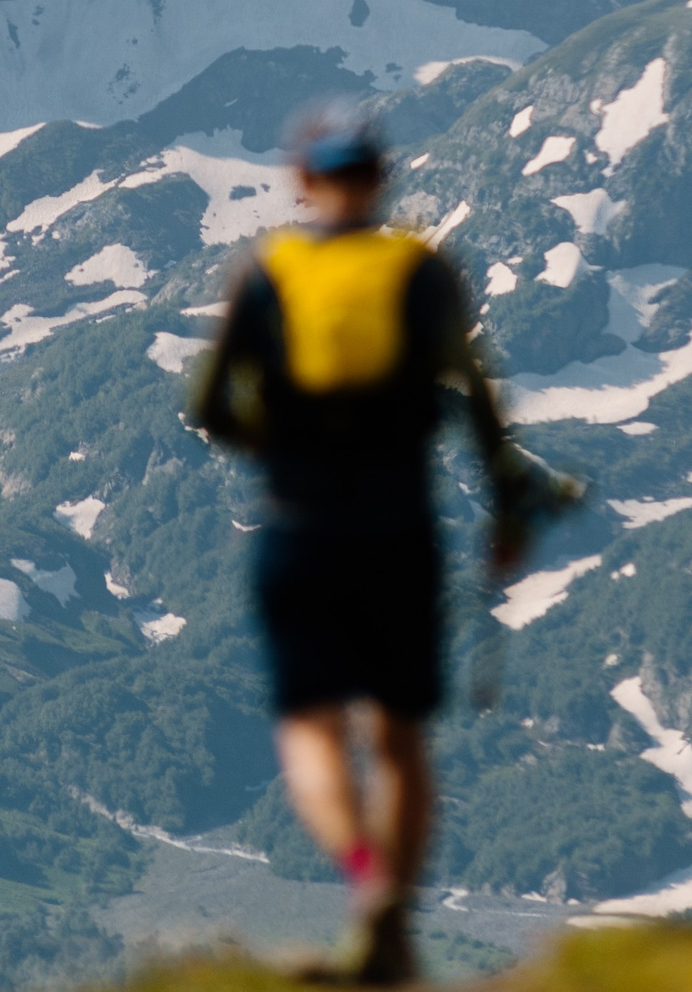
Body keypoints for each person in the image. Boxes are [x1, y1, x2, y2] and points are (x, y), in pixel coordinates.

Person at [191, 102, 527, 986]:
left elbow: (211, 407)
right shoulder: (420, 270)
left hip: (299, 529)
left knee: (310, 727)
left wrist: (277, 441)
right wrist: (506, 515)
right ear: (381, 176)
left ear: (304, 180)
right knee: (398, 734)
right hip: (399, 529)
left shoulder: (267, 273)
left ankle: (367, 876)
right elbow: (481, 402)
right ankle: (393, 910)